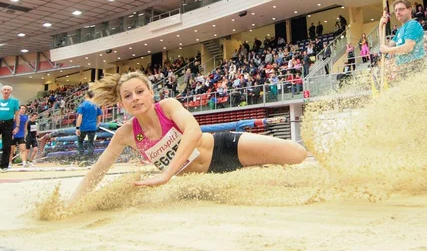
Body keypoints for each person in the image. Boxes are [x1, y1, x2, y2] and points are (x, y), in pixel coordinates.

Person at [70, 72, 306, 203]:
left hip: (224, 148)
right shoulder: (125, 134)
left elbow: (193, 131)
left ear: (151, 94)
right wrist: (73, 203)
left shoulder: (168, 106)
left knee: (297, 154)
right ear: (122, 104)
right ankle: (254, 170)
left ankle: (255, 164)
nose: (135, 98)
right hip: (201, 179)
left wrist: (167, 174)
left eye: (140, 91)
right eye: (128, 96)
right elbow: (99, 169)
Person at [379, 0, 425, 67]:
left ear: (409, 9)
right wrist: (381, 26)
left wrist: (388, 50)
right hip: (403, 67)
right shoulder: (399, 30)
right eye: (396, 10)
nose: (397, 12)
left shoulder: (412, 24)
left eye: (401, 9)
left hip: (415, 65)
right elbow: (386, 45)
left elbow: (408, 48)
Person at [75, 91, 103, 159]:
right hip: (92, 127)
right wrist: (97, 124)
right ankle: (90, 158)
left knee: (80, 142)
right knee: (90, 143)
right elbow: (99, 116)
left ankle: (81, 157)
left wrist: (77, 128)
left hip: (83, 127)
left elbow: (80, 117)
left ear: (87, 96)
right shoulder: (96, 105)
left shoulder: (82, 105)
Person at [0, 85, 20, 171]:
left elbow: (17, 115)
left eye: (8, 90)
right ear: (1, 91)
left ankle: (4, 166)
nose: (6, 91)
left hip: (8, 124)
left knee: (7, 145)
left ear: (10, 92)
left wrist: (17, 127)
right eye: (4, 89)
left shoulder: (14, 101)